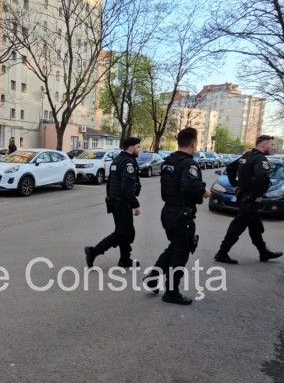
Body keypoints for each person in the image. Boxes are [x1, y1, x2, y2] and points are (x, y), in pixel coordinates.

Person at [144, 128, 210, 305]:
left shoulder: (169, 161)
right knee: (181, 252)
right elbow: (189, 185)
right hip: (182, 214)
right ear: (193, 144)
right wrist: (204, 191)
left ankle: (153, 278)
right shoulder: (189, 164)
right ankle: (171, 292)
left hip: (168, 211)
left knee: (175, 247)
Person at [214, 135, 283, 264]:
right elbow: (260, 177)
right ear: (264, 145)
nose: (273, 147)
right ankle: (222, 253)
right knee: (237, 226)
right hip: (249, 200)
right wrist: (256, 194)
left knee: (255, 227)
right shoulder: (260, 159)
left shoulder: (247, 156)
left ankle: (263, 252)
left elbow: (230, 168)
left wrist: (235, 184)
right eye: (272, 144)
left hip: (244, 196)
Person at [85, 137, 142, 269]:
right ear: (131, 148)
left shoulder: (117, 159)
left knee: (124, 231)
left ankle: (125, 259)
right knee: (123, 232)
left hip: (115, 201)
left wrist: (109, 197)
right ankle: (93, 251)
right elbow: (127, 187)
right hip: (122, 202)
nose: (140, 149)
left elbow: (110, 182)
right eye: (138, 147)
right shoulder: (128, 162)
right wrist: (135, 204)